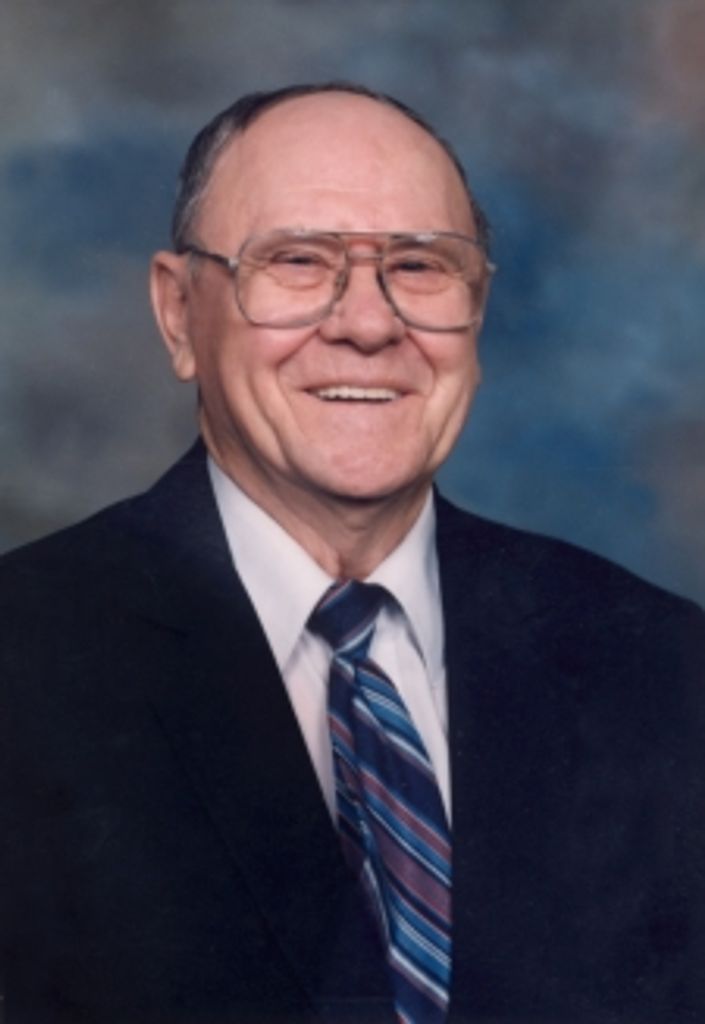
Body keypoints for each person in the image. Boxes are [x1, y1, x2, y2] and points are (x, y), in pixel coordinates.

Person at [1, 82, 704, 1024]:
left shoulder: (662, 666)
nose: (368, 324)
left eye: (420, 265)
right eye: (297, 261)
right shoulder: (23, 659)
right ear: (178, 313)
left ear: (477, 308)